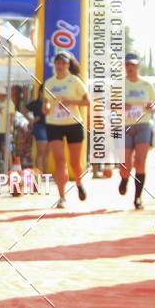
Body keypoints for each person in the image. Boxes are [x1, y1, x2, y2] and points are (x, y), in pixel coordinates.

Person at [43, 51, 90, 209]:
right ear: (54, 65)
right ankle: (62, 197)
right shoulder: (49, 83)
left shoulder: (74, 81)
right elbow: (45, 103)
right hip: (54, 124)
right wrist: (46, 107)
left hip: (73, 124)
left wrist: (70, 101)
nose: (60, 66)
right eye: (57, 63)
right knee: (59, 160)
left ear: (68, 65)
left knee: (75, 163)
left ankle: (79, 183)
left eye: (63, 63)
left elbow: (87, 102)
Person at [119, 53, 155, 209]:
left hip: (143, 125)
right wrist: (120, 105)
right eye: (128, 65)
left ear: (138, 66)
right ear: (124, 67)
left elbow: (154, 105)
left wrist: (151, 107)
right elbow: (109, 105)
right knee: (125, 164)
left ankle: (138, 198)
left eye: (133, 65)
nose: (130, 68)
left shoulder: (147, 85)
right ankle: (124, 179)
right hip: (125, 126)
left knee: (140, 161)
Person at [27, 83, 48, 175]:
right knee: (40, 153)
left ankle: (45, 174)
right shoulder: (36, 103)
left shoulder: (49, 102)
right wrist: (31, 119)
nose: (46, 93)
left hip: (49, 127)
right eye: (45, 91)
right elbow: (24, 109)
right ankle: (38, 174)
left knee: (46, 153)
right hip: (40, 127)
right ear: (40, 92)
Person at [0, 86, 15, 165]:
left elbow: (12, 117)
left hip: (6, 130)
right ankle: (7, 167)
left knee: (7, 150)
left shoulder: (9, 103)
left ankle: (9, 168)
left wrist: (10, 129)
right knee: (3, 150)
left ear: (2, 94)